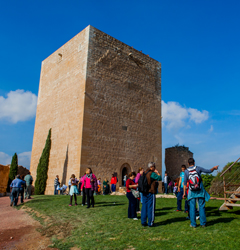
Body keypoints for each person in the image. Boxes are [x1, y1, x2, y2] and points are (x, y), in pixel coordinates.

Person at [183, 158, 218, 228]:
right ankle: (203, 223)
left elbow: (185, 183)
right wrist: (214, 168)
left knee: (192, 207)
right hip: (200, 190)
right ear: (194, 162)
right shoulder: (198, 168)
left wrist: (184, 193)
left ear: (188, 163)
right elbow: (208, 171)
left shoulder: (186, 171)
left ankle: (193, 224)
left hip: (191, 191)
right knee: (201, 206)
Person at [141, 162, 162, 227]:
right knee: (151, 208)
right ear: (151, 167)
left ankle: (143, 222)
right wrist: (157, 172)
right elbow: (159, 178)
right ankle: (150, 222)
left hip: (144, 192)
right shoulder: (151, 174)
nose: (155, 168)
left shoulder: (144, 173)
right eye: (154, 167)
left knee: (144, 207)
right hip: (150, 192)